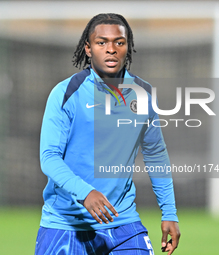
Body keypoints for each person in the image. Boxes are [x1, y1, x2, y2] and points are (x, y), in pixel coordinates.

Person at [35, 13, 180, 255]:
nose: (110, 49)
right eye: (102, 42)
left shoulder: (142, 94)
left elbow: (155, 155)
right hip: (66, 226)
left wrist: (169, 212)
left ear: (127, 48)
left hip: (123, 222)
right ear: (88, 48)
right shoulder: (67, 93)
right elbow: (49, 157)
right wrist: (85, 193)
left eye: (118, 42)